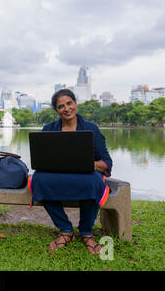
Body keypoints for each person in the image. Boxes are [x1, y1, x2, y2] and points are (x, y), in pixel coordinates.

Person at [30, 89, 113, 255]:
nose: (66, 108)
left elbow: (106, 162)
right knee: (38, 180)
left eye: (69, 103)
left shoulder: (91, 128)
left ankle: (86, 233)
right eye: (61, 106)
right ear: (56, 110)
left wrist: (90, 164)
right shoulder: (49, 129)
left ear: (75, 104)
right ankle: (66, 230)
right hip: (58, 174)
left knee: (93, 182)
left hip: (87, 173)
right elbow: (42, 159)